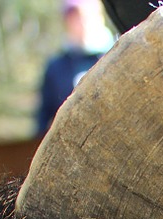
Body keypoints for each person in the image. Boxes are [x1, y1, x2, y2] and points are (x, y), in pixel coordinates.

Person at [35, 0, 114, 136]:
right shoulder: (56, 67)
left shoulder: (116, 57)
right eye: (75, 18)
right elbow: (43, 118)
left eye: (86, 16)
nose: (82, 23)